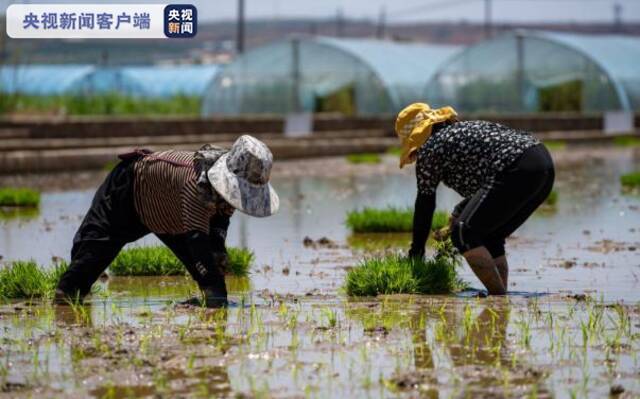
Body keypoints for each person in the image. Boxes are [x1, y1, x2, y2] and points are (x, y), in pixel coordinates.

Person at [55, 135, 279, 307]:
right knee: (91, 257)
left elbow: (220, 220)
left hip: (171, 212)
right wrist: (216, 284)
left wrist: (219, 250)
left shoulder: (223, 194)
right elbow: (198, 243)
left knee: (208, 271)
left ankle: (213, 296)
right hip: (130, 191)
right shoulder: (196, 185)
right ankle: (65, 299)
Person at [396, 103, 554, 295]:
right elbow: (490, 189)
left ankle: (498, 299)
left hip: (514, 167)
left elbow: (425, 203)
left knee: (464, 233)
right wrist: (459, 212)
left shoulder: (430, 148)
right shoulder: (459, 132)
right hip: (542, 164)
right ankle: (500, 295)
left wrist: (416, 254)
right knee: (490, 234)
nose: (416, 156)